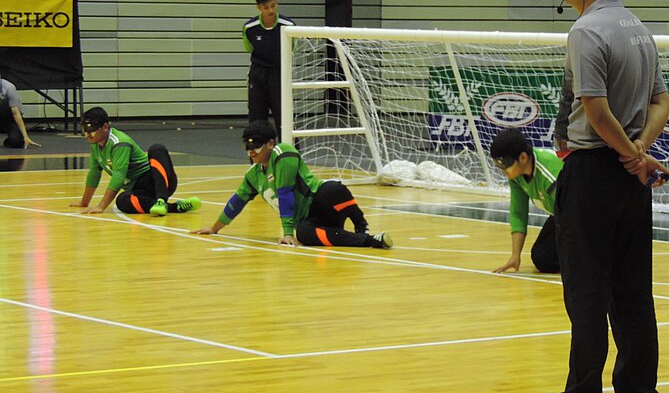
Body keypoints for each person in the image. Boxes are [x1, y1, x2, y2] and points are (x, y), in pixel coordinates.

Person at [522, 0, 669, 393]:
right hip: (629, 178)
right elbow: (661, 103)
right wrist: (640, 156)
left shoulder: (587, 31)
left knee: (585, 291)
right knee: (632, 289)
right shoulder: (639, 29)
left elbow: (595, 108)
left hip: (592, 171)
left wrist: (631, 155)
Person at [191, 121, 393, 249]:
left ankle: (361, 226)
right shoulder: (253, 176)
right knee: (304, 234)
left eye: (256, 146)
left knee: (333, 189)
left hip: (320, 201)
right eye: (247, 147)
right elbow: (237, 202)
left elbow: (285, 192)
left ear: (271, 144)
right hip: (309, 219)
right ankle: (368, 241)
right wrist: (214, 228)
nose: (251, 152)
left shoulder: (283, 154)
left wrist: (287, 232)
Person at [70, 106, 201, 216]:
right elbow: (94, 174)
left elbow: (118, 176)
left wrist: (101, 206)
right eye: (84, 129)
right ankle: (173, 207)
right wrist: (84, 203)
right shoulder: (95, 145)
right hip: (138, 190)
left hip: (156, 181)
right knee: (121, 201)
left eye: (91, 128)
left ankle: (162, 199)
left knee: (157, 149)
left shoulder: (119, 142)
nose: (87, 133)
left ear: (105, 127)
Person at [489, 128, 562, 274]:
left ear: (523, 158)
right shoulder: (516, 176)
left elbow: (575, 217)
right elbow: (518, 213)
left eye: (506, 165)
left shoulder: (550, 176)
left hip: (584, 213)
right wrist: (515, 255)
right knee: (543, 258)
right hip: (560, 214)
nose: (504, 171)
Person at [243, 0, 295, 136]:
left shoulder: (288, 27)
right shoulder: (249, 28)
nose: (271, 11)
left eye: (273, 6)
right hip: (258, 75)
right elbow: (248, 48)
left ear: (277, 2)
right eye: (266, 7)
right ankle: (258, 156)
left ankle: (291, 156)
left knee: (284, 119)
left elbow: (294, 49)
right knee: (256, 119)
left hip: (279, 74)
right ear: (259, 7)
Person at [0, 74, 41, 149]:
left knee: (16, 142)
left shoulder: (9, 88)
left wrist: (25, 136)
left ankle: (11, 140)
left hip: (10, 119)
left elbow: (16, 114)